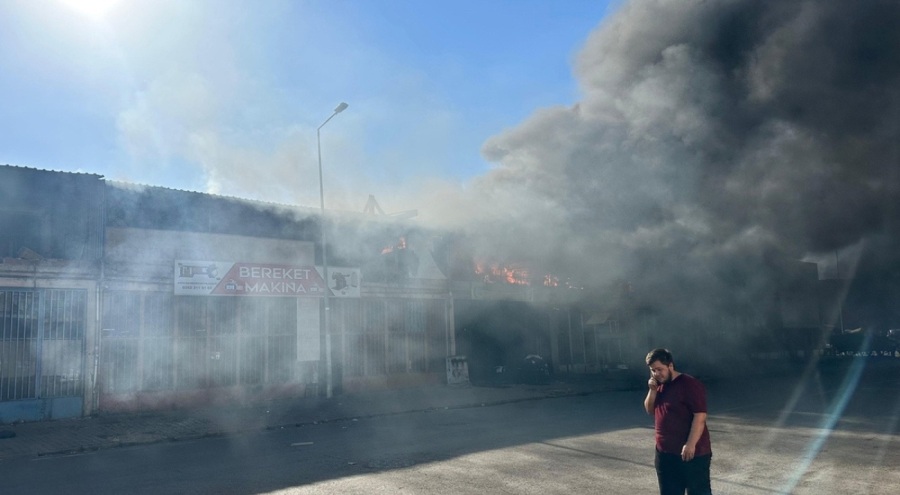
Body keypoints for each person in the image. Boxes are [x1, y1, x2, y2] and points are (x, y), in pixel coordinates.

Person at [644, 348, 712, 495]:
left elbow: (700, 416)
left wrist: (690, 444)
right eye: (653, 370)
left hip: (692, 454)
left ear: (670, 365)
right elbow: (650, 410)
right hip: (665, 454)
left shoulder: (689, 384)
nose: (656, 374)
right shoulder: (658, 385)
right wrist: (652, 390)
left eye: (660, 369)